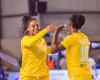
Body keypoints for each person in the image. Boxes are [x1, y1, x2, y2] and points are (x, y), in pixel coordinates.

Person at [51, 14, 92, 80]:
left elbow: (53, 50)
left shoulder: (71, 39)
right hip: (87, 74)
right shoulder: (85, 37)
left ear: (71, 25)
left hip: (77, 75)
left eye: (69, 24)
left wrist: (57, 31)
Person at [20, 15, 56, 80]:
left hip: (43, 76)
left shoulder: (42, 40)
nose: (36, 27)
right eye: (33, 26)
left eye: (37, 25)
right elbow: (30, 43)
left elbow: (48, 50)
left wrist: (63, 44)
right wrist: (46, 30)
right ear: (28, 28)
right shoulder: (25, 39)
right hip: (28, 77)